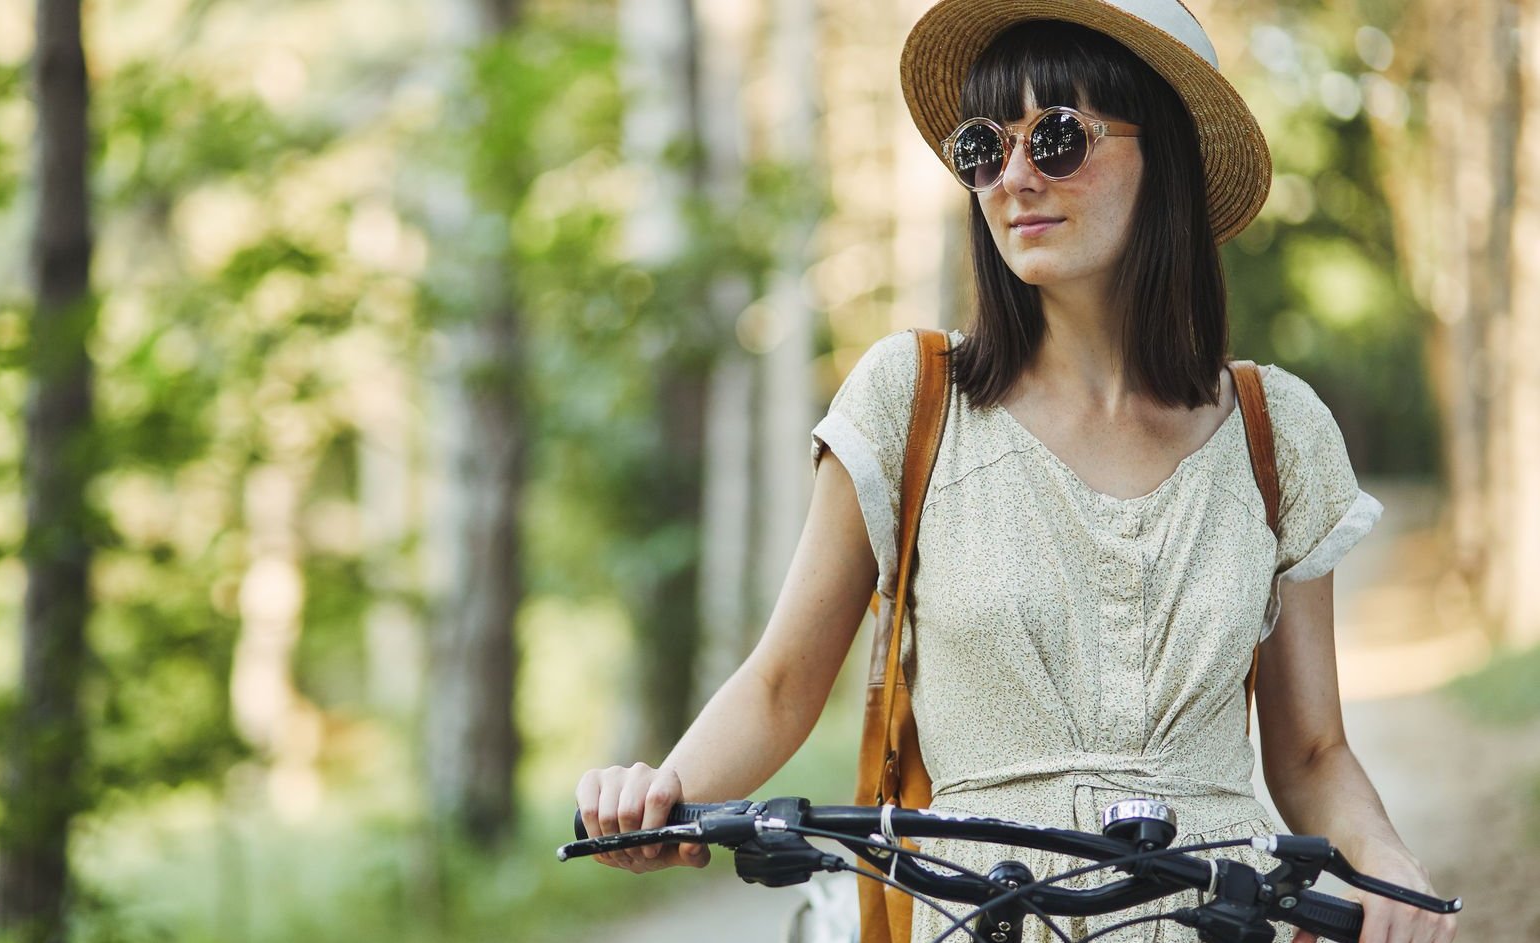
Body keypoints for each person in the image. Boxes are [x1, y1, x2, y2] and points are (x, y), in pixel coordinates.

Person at [576, 1, 1456, 941]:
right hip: (979, 914)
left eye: (1061, 137)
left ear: (1167, 158)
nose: (1016, 178)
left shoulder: (1275, 429)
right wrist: (660, 792)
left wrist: (1388, 863)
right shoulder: (910, 399)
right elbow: (782, 681)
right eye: (984, 148)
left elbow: (1314, 750)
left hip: (1216, 918)